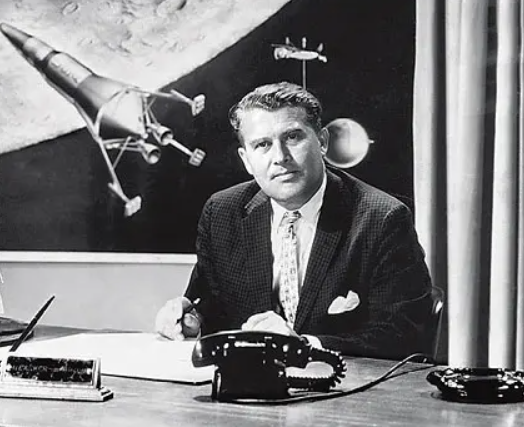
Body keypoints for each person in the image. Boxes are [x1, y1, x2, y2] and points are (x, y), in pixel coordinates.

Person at [154, 82, 433, 359]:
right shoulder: (222, 213)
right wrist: (191, 322)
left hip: (342, 384)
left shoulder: (382, 218)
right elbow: (209, 307)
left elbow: (404, 334)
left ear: (322, 142)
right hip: (248, 383)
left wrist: (303, 345)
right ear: (246, 160)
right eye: (262, 144)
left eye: (292, 137)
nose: (280, 157)